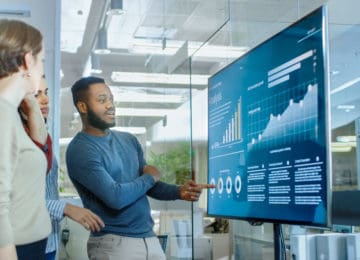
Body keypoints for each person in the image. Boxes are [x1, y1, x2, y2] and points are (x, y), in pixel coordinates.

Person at [66, 76, 215, 260]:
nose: (110, 105)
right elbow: (116, 197)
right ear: (82, 107)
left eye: (111, 99)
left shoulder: (128, 140)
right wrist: (151, 176)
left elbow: (147, 186)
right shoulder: (81, 149)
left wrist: (178, 192)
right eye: (102, 100)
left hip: (149, 239)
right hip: (114, 243)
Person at [20, 76, 105, 260]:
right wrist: (66, 208)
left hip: (48, 240)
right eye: (36, 94)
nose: (45, 99)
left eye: (46, 92)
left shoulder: (44, 137)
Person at [0, 19, 51, 260]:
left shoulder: (8, 111)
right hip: (16, 250)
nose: (41, 70)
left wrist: (28, 100)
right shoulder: (2, 114)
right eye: (41, 61)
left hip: (29, 246)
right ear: (28, 61)